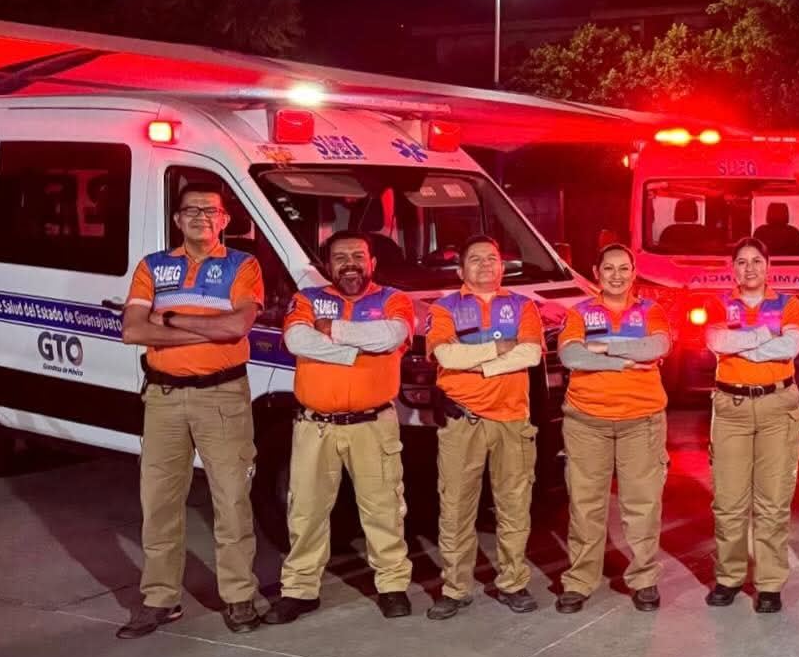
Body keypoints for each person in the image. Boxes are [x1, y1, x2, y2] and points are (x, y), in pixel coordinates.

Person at [117, 182, 264, 638]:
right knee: (158, 501)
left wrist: (169, 319)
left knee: (231, 499)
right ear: (178, 220)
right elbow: (132, 331)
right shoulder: (153, 266)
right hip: (162, 398)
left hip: (221, 396)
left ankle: (238, 596)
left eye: (211, 211)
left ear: (225, 220)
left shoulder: (243, 264)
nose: (202, 217)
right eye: (192, 210)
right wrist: (208, 330)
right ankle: (160, 599)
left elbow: (238, 325)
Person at [263, 232, 416, 624]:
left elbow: (392, 335)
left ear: (372, 262)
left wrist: (331, 329)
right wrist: (359, 353)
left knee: (383, 509)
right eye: (340, 257)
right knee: (305, 511)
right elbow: (297, 339)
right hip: (315, 427)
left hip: (373, 425)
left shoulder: (393, 299)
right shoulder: (307, 299)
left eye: (358, 256)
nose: (350, 264)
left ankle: (392, 586)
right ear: (328, 265)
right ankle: (299, 590)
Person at [425, 235, 544, 619]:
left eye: (492, 258)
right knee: (456, 507)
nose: (485, 265)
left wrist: (479, 366)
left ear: (502, 266)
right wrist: (500, 349)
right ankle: (455, 588)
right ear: (461, 270)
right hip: (463, 421)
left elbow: (531, 353)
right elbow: (446, 355)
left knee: (514, 506)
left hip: (512, 420)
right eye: (475, 259)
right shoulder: (444, 308)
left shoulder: (523, 305)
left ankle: (513, 582)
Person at [556, 243, 671, 612]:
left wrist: (600, 348)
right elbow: (571, 355)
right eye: (609, 268)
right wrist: (624, 360)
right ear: (596, 272)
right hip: (586, 422)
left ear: (634, 273)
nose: (616, 275)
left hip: (642, 422)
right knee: (585, 505)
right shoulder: (579, 312)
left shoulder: (651, 311)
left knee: (642, 503)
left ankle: (644, 579)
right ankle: (579, 581)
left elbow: (656, 346)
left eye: (624, 268)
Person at [703, 238, 799, 613]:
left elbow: (790, 347)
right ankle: (729, 577)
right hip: (730, 409)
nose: (750, 268)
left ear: (768, 266)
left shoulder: (788, 303)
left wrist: (740, 346)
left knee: (772, 502)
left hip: (778, 407)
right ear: (732, 268)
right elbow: (716, 339)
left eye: (757, 261)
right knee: (729, 502)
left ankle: (769, 584)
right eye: (742, 262)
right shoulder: (718, 303)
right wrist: (764, 336)